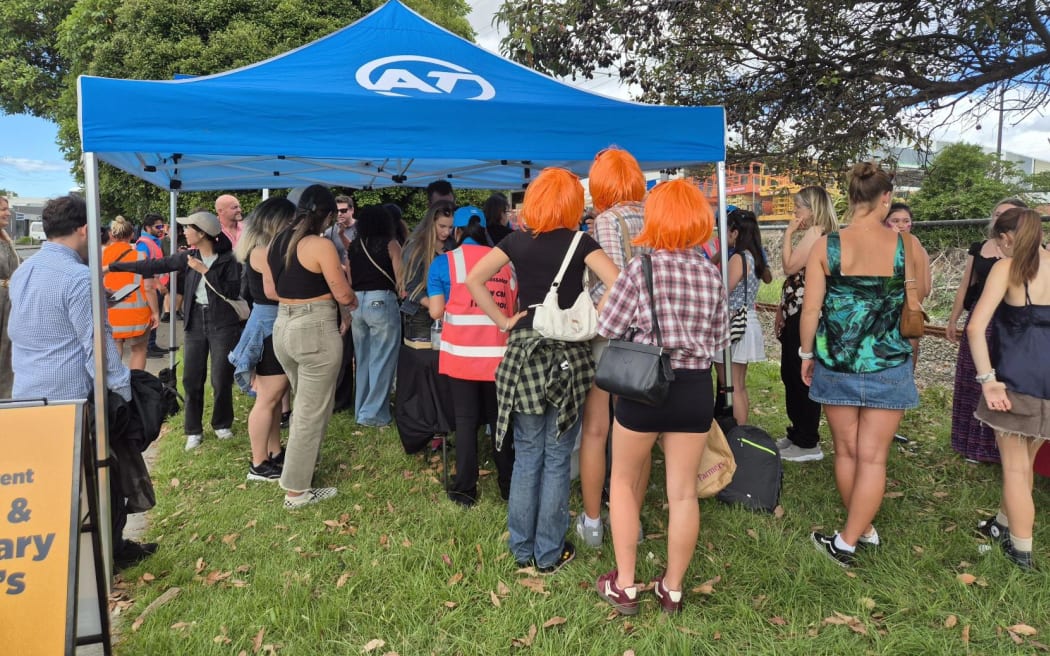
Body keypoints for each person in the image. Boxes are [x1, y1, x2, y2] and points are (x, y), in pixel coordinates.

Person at [466, 167, 619, 574]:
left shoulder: (516, 241)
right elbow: (620, 282)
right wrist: (593, 319)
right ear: (570, 203)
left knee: (527, 452)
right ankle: (549, 553)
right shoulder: (581, 242)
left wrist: (503, 321)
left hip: (524, 349)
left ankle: (521, 548)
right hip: (570, 353)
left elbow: (474, 278)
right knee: (556, 456)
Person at [594, 179, 728, 615]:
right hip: (694, 389)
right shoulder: (711, 273)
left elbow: (608, 328)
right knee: (683, 493)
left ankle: (626, 586)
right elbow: (721, 338)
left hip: (644, 384)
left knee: (625, 485)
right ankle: (671, 589)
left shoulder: (641, 268)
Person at [8, 195, 155, 569]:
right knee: (98, 478)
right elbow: (100, 351)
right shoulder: (78, 278)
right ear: (85, 230)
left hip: (28, 394)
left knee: (51, 482)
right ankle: (104, 555)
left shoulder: (26, 270)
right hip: (75, 400)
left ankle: (60, 558)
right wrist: (124, 394)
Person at [800, 162, 929, 567]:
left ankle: (848, 540)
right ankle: (860, 531)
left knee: (846, 451)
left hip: (836, 360)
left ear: (851, 196)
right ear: (886, 198)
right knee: (874, 457)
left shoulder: (826, 246)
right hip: (890, 363)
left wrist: (806, 354)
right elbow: (920, 295)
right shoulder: (909, 246)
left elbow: (810, 310)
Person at [108, 211, 243, 450]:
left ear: (202, 233)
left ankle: (222, 424)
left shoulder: (229, 260)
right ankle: (193, 430)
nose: (184, 232)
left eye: (188, 228)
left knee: (221, 377)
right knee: (191, 377)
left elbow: (232, 292)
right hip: (194, 322)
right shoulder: (187, 256)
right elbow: (153, 264)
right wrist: (113, 267)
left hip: (222, 323)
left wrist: (205, 270)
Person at [967, 207, 1050, 571]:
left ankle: (1021, 553)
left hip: (1017, 379)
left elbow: (975, 328)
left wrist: (988, 381)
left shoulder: (1008, 268)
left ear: (1006, 237)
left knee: (1016, 470)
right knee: (1026, 463)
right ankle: (1003, 526)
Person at [577, 146, 649, 548]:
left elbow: (612, 284)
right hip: (648, 342)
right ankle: (631, 520)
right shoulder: (655, 217)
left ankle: (592, 522)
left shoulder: (606, 221)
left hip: (609, 335)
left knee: (597, 428)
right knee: (635, 430)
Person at [268, 185, 357, 508]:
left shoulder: (277, 241)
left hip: (284, 325)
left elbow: (271, 287)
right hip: (314, 327)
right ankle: (296, 490)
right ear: (329, 215)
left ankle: (300, 473)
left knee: (304, 406)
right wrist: (352, 303)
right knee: (309, 411)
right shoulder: (319, 245)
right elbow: (344, 294)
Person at [427, 206, 517, 507]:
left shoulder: (444, 263)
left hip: (461, 356)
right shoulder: (505, 263)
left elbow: (437, 311)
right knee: (500, 422)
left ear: (457, 232)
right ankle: (508, 485)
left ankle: (465, 490)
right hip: (499, 357)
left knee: (465, 422)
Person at [947, 197, 1030, 464]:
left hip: (1011, 323)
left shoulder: (1031, 251)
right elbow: (964, 285)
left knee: (1003, 382)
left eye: (1006, 214)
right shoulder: (980, 247)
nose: (999, 217)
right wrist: (953, 318)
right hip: (980, 320)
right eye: (996, 213)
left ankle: (1001, 448)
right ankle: (968, 444)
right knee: (972, 381)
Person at [229, 198, 295, 481]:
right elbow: (273, 292)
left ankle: (273, 453)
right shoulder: (263, 252)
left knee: (274, 397)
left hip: (270, 325)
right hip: (269, 329)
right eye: (290, 222)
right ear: (276, 223)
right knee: (268, 399)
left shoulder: (259, 249)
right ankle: (258, 464)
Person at [774, 186, 838, 462]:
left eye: (798, 207)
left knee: (799, 375)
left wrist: (788, 233)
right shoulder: (821, 233)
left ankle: (807, 440)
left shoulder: (815, 233)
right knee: (790, 372)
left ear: (812, 209)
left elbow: (789, 267)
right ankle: (797, 431)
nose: (795, 213)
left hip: (805, 312)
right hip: (795, 309)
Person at [347, 205, 403, 427]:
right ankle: (373, 414)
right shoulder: (391, 244)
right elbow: (401, 279)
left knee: (363, 358)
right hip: (382, 301)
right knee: (383, 357)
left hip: (357, 303)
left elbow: (350, 280)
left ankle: (362, 406)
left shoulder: (353, 246)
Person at [712, 208, 768, 427]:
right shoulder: (753, 257)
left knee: (731, 385)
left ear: (734, 232)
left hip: (733, 323)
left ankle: (738, 434)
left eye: (725, 230)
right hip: (748, 320)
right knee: (739, 384)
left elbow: (722, 292)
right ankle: (741, 432)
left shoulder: (738, 259)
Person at [102, 216, 160, 370]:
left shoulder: (99, 256)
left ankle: (115, 386)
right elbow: (148, 287)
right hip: (137, 314)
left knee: (115, 348)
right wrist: (155, 312)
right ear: (132, 235)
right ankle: (137, 387)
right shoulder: (140, 257)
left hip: (110, 313)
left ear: (111, 235)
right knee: (139, 350)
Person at [401, 201, 455, 340]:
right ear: (431, 223)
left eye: (450, 227)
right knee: (423, 359)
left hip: (447, 312)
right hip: (420, 314)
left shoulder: (453, 245)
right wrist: (438, 310)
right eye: (442, 226)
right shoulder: (416, 248)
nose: (446, 232)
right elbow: (411, 288)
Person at [135, 213, 169, 358]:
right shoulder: (144, 243)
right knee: (151, 316)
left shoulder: (155, 241)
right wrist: (157, 283)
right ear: (148, 228)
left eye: (162, 225)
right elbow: (144, 267)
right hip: (151, 287)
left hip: (158, 285)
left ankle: (152, 345)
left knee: (155, 317)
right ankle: (148, 346)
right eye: (158, 226)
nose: (161, 229)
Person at [0, 195, 21, 397]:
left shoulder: (5, 237)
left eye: (7, 208)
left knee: (7, 352)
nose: (7, 213)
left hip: (8, 303)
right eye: (2, 209)